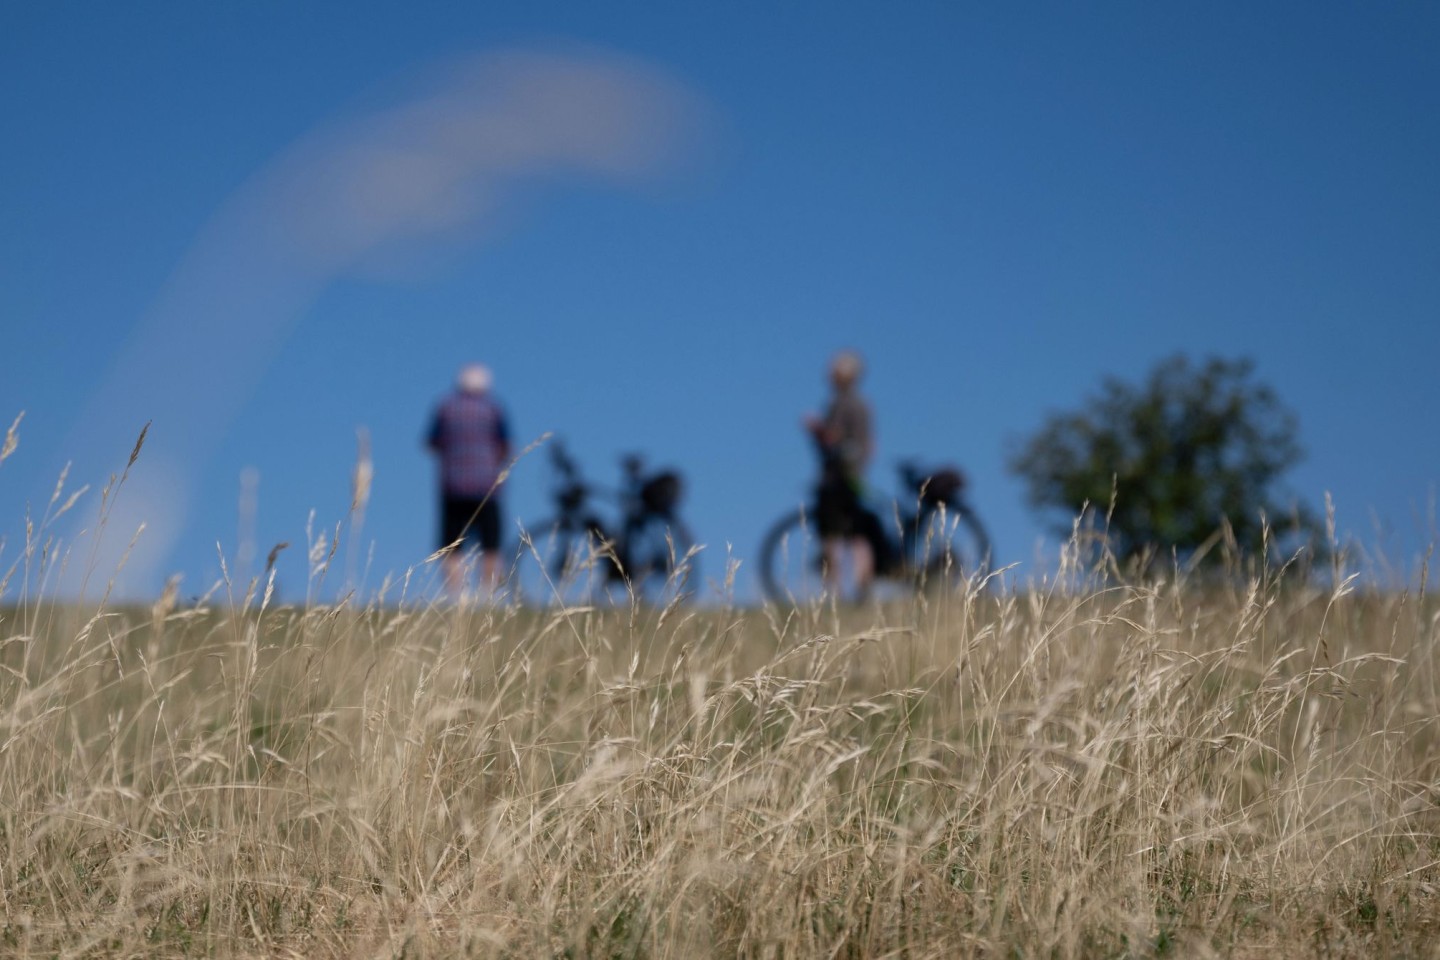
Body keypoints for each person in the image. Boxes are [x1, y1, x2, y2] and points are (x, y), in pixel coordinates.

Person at [427, 363, 511, 597]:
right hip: (488, 488)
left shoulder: (445, 407)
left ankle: (456, 595)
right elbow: (505, 445)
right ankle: (487, 594)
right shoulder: (493, 409)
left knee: (452, 544)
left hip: (453, 487)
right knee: (491, 543)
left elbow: (432, 442)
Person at [803, 350, 876, 598]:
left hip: (839, 477)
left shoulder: (843, 404)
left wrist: (815, 428)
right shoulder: (861, 404)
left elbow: (833, 438)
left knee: (832, 533)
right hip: (854, 475)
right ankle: (860, 589)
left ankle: (836, 593)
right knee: (857, 531)